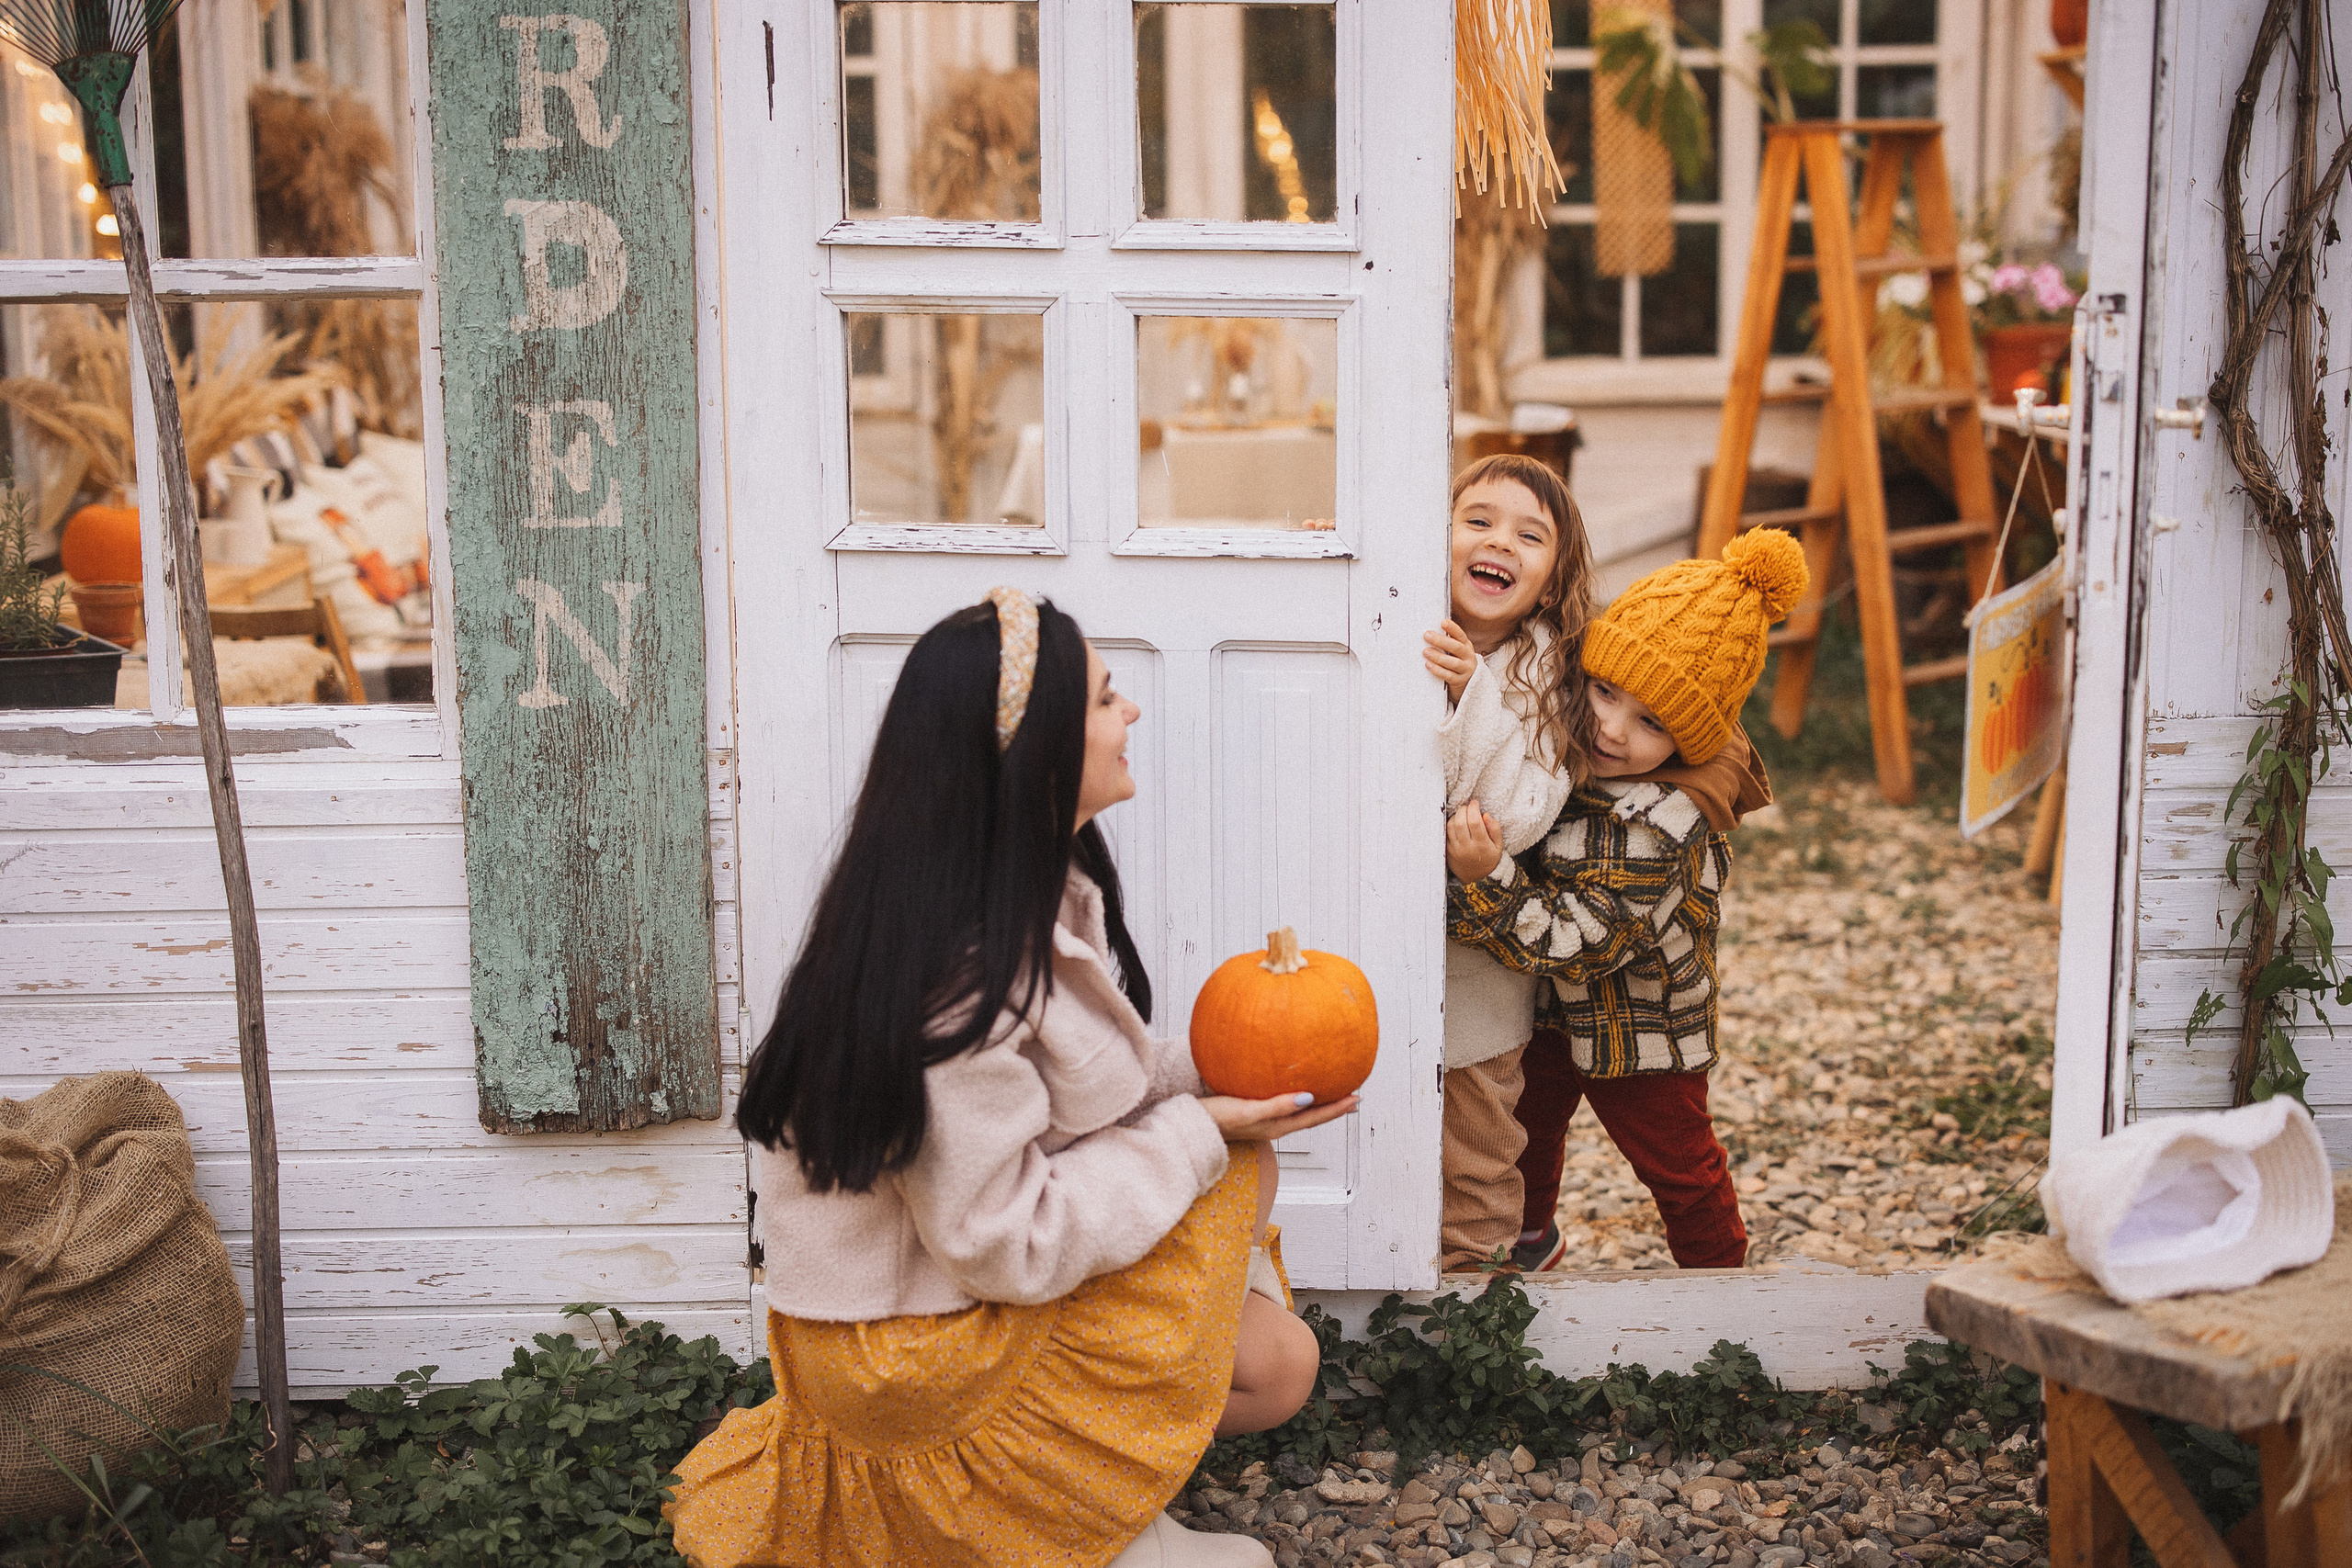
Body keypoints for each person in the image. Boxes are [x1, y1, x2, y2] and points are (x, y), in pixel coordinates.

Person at [666, 590, 1355, 1568]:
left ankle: (1089, 1490)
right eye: (1108, 699)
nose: (1132, 716)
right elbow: (1005, 1243)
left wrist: (1223, 1067)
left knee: (1263, 1303)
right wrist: (1199, 1131)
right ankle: (1072, 1522)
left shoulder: (995, 903)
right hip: (907, 1358)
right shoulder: (959, 984)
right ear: (1036, 750)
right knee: (1233, 1177)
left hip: (930, 1310)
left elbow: (1073, 1089)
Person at [1443, 530, 1801, 1272]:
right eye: (1605, 690)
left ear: (1693, 741)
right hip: (1550, 1005)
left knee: (1678, 1163)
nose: (1611, 726)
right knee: (1528, 1125)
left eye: (1653, 722)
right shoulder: (1573, 740)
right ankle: (1532, 1237)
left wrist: (1486, 881)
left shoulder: (1661, 830)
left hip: (1643, 1023)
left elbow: (1584, 941)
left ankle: (1721, 1290)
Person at [1419, 454, 1595, 1270]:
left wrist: (1472, 695)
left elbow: (1521, 814)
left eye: (1530, 536)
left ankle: (1474, 1309)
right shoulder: (1402, 615)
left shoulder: (1544, 678)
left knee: (1477, 1145)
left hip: (1479, 969)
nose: (1500, 542)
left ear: (1552, 583)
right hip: (1374, 934)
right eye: (1479, 520)